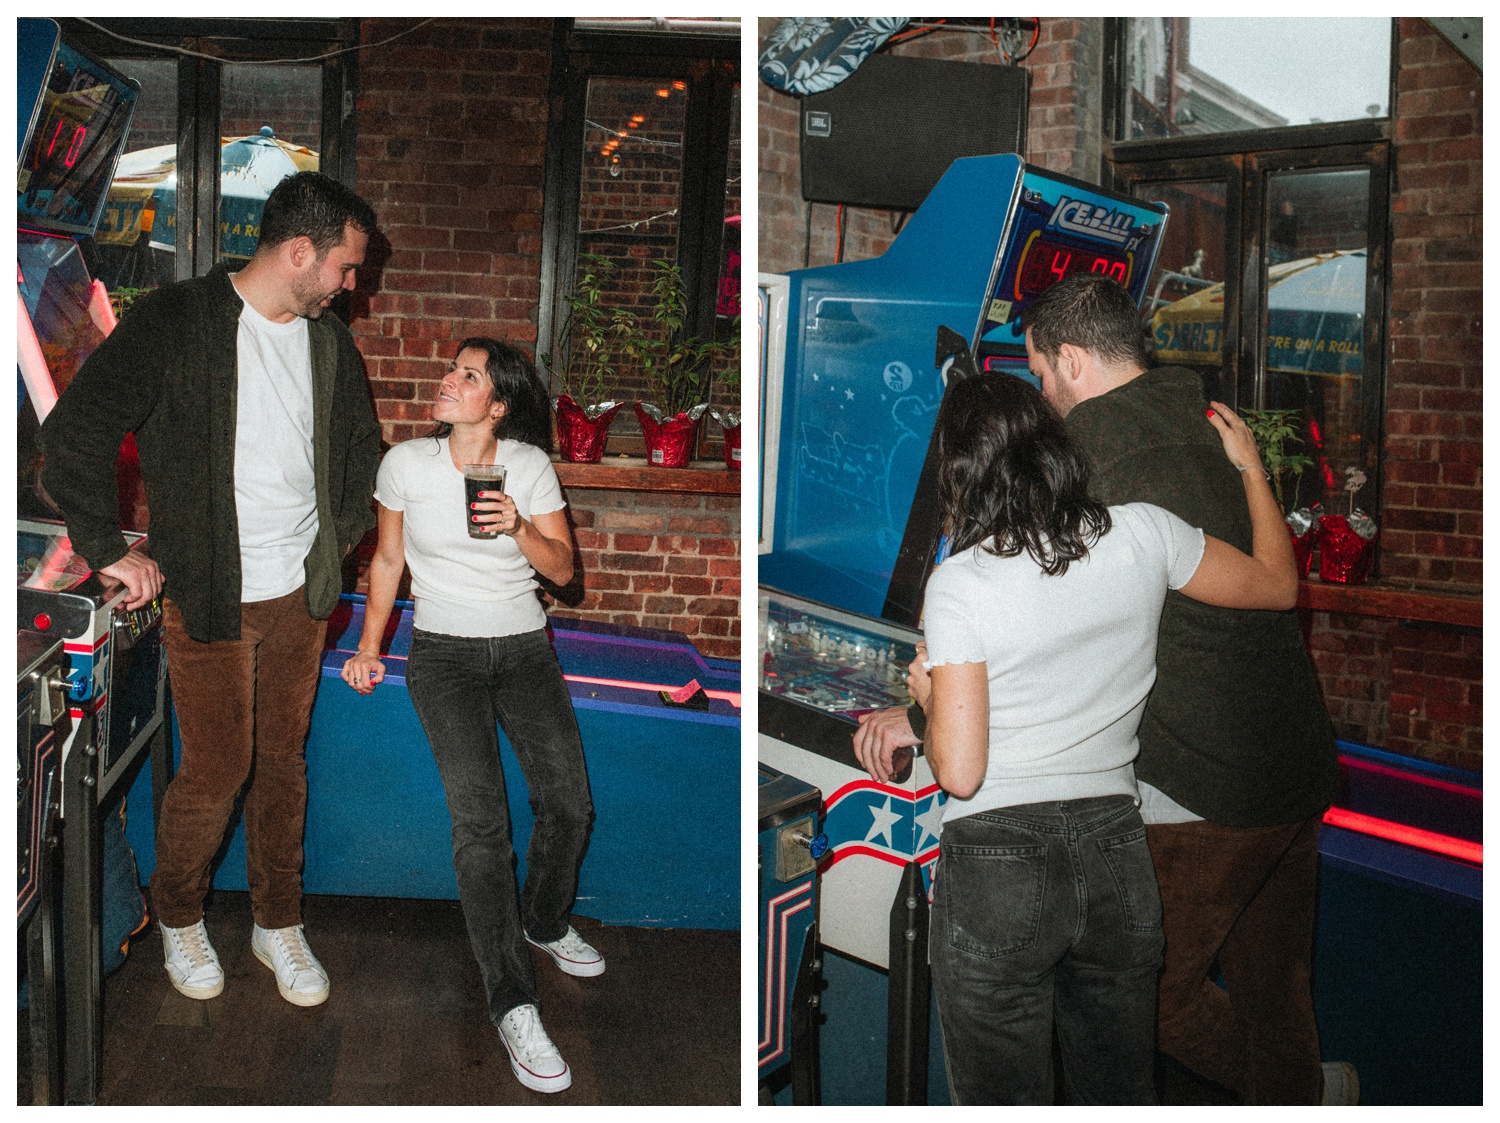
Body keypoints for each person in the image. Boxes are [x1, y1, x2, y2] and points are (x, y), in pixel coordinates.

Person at [892, 372, 1296, 1104]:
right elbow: (1276, 584)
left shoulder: (960, 583)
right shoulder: (1144, 530)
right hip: (1117, 847)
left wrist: (923, 695)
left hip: (996, 860)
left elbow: (959, 768)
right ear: (1056, 445)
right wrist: (1250, 469)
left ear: (960, 469)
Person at [40, 171, 382, 1008]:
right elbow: (73, 434)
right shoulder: (175, 319)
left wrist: (334, 552)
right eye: (344, 267)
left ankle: (277, 919)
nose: (351, 286)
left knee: (283, 767)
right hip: (212, 594)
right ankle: (179, 912)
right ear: (299, 251)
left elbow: (359, 454)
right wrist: (107, 546)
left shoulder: (329, 342)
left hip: (301, 598)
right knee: (220, 764)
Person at [340, 338, 598, 1095]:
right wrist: (368, 645)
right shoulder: (407, 466)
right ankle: (513, 1003)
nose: (447, 380)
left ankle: (544, 921)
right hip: (445, 655)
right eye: (451, 368)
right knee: (482, 824)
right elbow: (388, 561)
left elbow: (564, 572)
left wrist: (520, 524)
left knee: (570, 804)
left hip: (523, 647)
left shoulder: (528, 466)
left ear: (500, 403)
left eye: (468, 375)